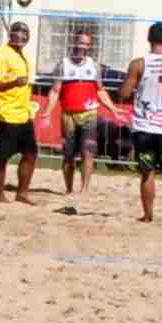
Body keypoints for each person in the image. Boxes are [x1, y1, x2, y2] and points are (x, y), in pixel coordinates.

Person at [115, 20, 162, 224]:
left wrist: (129, 85)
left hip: (146, 126)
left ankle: (148, 215)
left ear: (149, 39)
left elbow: (123, 93)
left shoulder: (140, 64)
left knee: (147, 171)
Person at [0, 20, 40, 204]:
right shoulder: (1, 54)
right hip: (3, 115)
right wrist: (14, 83)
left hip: (22, 114)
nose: (21, 36)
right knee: (2, 156)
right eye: (17, 32)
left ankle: (22, 193)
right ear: (10, 34)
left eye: (24, 33)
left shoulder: (23, 55)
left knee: (30, 154)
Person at [50, 27, 109, 199]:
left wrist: (113, 108)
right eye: (80, 42)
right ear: (74, 42)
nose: (83, 46)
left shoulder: (94, 65)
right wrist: (47, 111)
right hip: (69, 114)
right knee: (68, 154)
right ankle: (69, 189)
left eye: (87, 44)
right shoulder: (63, 64)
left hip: (89, 113)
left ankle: (84, 189)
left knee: (88, 152)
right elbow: (55, 91)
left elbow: (100, 89)